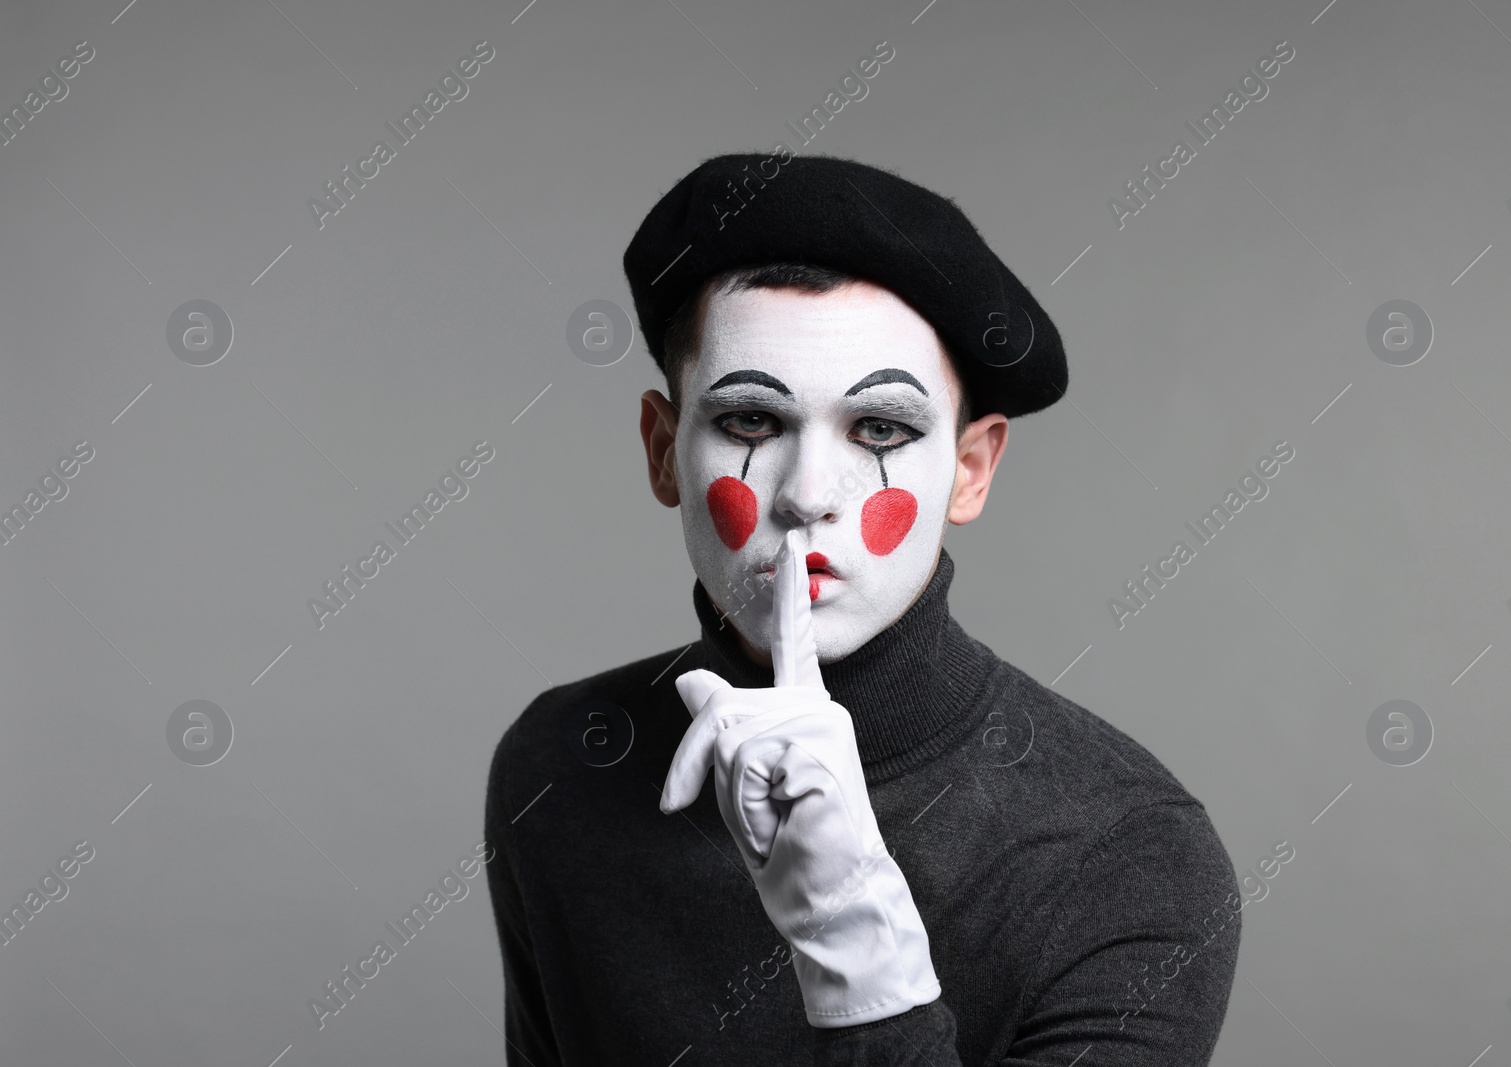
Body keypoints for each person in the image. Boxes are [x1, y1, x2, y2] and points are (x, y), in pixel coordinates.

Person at [484, 154, 1241, 1065]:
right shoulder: (560, 761)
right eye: (751, 422)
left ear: (970, 468)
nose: (807, 495)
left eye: (881, 429)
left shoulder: (1129, 854)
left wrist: (857, 949)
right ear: (661, 448)